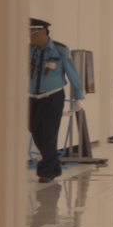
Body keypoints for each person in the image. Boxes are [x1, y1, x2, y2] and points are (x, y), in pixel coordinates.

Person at [28, 18, 86, 183]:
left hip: (53, 98)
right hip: (34, 99)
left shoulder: (60, 50)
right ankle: (54, 164)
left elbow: (72, 74)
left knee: (49, 133)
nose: (30, 36)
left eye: (32, 32)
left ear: (43, 32)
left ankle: (46, 171)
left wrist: (79, 96)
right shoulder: (29, 51)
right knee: (34, 129)